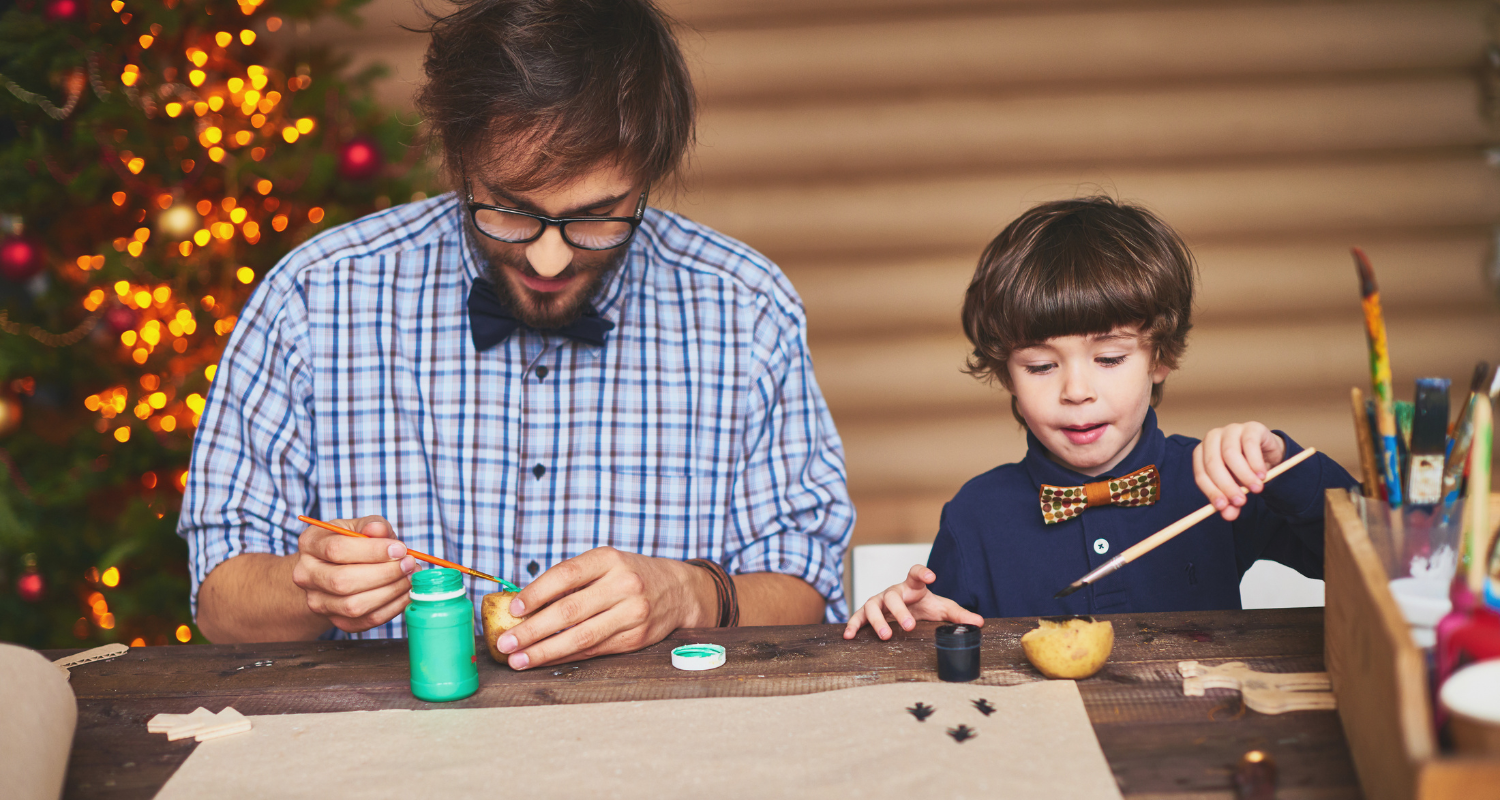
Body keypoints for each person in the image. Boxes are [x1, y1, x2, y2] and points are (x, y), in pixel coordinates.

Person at [180, 0, 854, 669]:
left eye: (598, 215)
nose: (549, 262)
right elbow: (217, 603)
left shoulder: (746, 307)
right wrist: (315, 589)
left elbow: (809, 590)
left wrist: (686, 594)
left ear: (649, 174)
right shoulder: (315, 296)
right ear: (455, 159)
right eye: (510, 210)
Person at [844, 197, 1358, 639]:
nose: (1076, 391)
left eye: (1109, 359)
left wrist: (1282, 468)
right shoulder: (975, 515)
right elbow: (945, 655)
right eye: (1041, 366)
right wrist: (909, 629)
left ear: (1161, 357)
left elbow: (1374, 561)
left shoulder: (1216, 482)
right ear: (1007, 376)